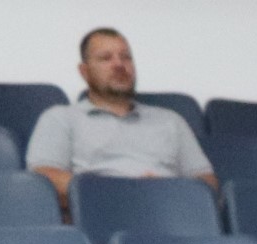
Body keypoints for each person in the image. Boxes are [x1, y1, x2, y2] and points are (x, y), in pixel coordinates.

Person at [24, 28, 215, 198]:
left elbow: (208, 183)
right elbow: (45, 177)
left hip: (168, 216)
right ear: (84, 72)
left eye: (126, 57)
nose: (119, 64)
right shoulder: (60, 118)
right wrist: (126, 192)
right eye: (106, 58)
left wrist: (168, 191)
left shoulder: (171, 120)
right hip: (99, 219)